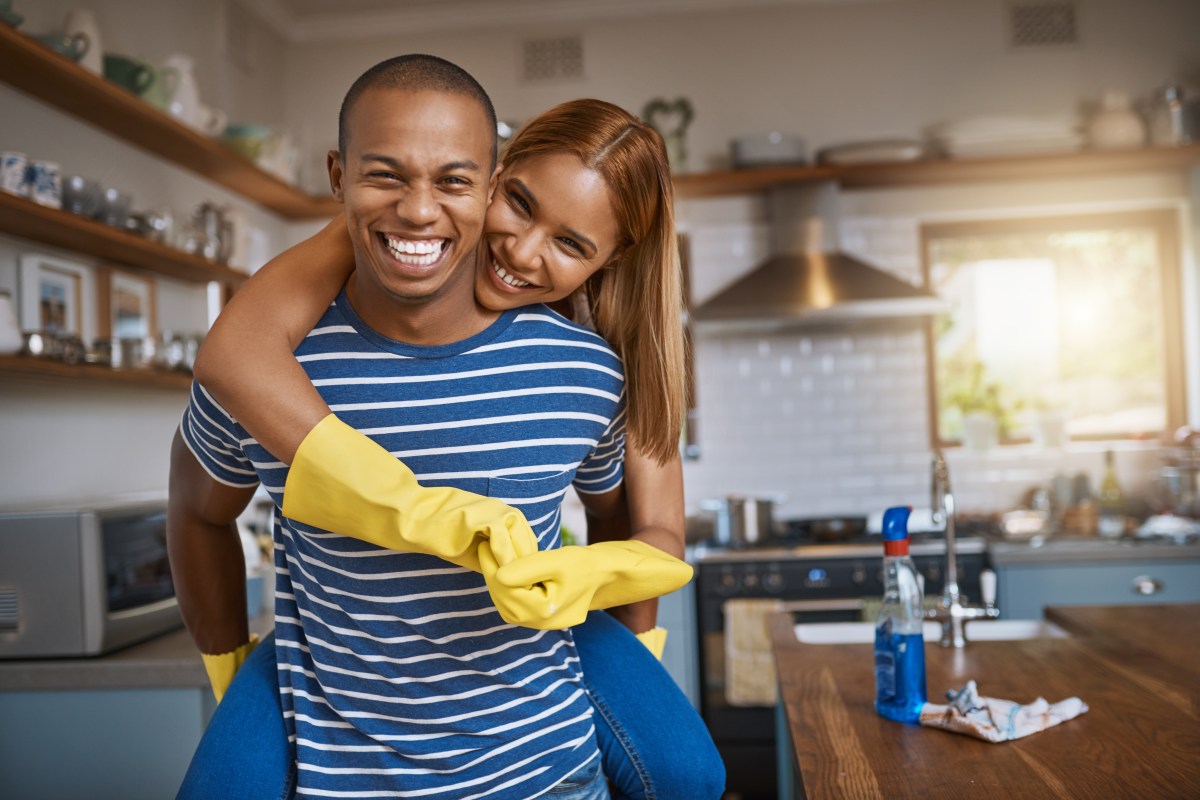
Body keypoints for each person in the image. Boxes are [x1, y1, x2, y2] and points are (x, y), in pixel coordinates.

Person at [170, 54, 721, 800]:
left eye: (570, 244)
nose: (522, 253)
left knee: (691, 773)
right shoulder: (267, 367)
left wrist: (612, 610)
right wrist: (232, 667)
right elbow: (198, 498)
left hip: (543, 764)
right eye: (521, 206)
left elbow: (635, 524)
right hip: (335, 748)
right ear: (503, 181)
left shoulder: (593, 373)